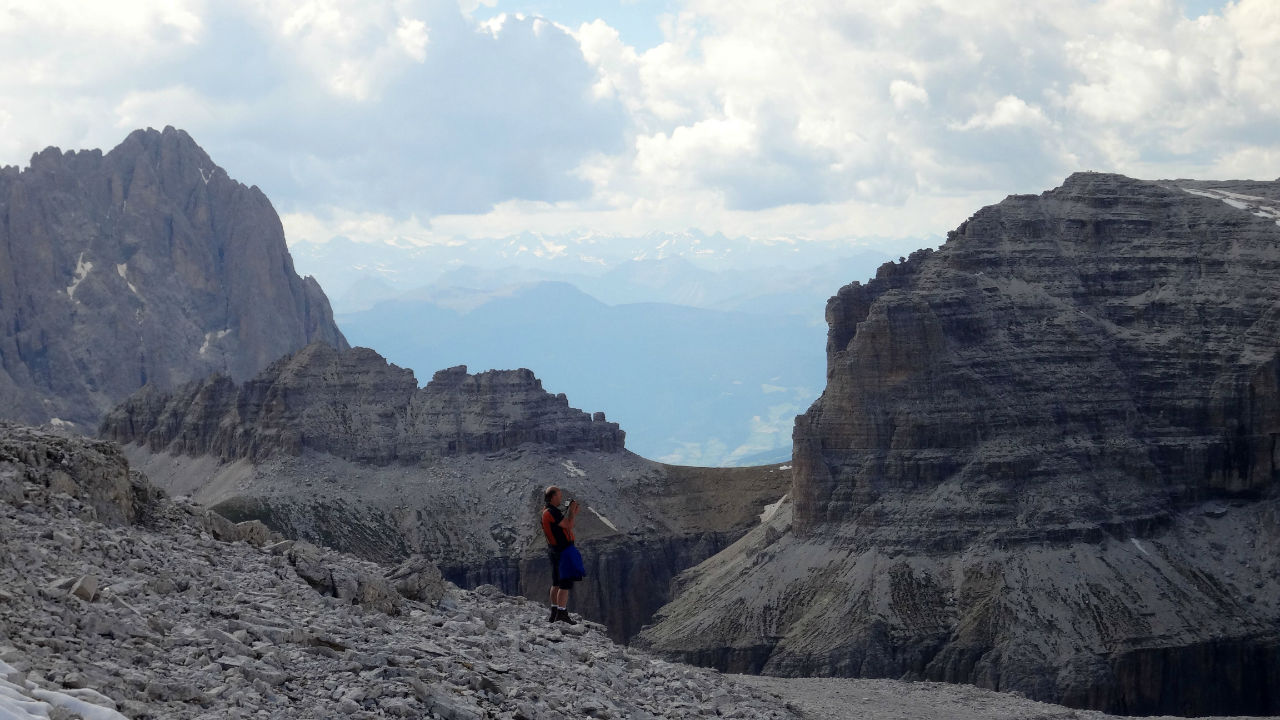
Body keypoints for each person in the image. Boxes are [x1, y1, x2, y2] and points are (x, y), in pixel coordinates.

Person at [541, 485, 579, 624]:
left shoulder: (546, 511)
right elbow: (569, 525)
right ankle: (562, 614)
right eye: (559, 495)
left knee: (556, 582)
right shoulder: (552, 512)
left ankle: (555, 611)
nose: (561, 498)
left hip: (554, 550)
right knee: (565, 583)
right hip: (562, 551)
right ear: (553, 496)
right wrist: (572, 512)